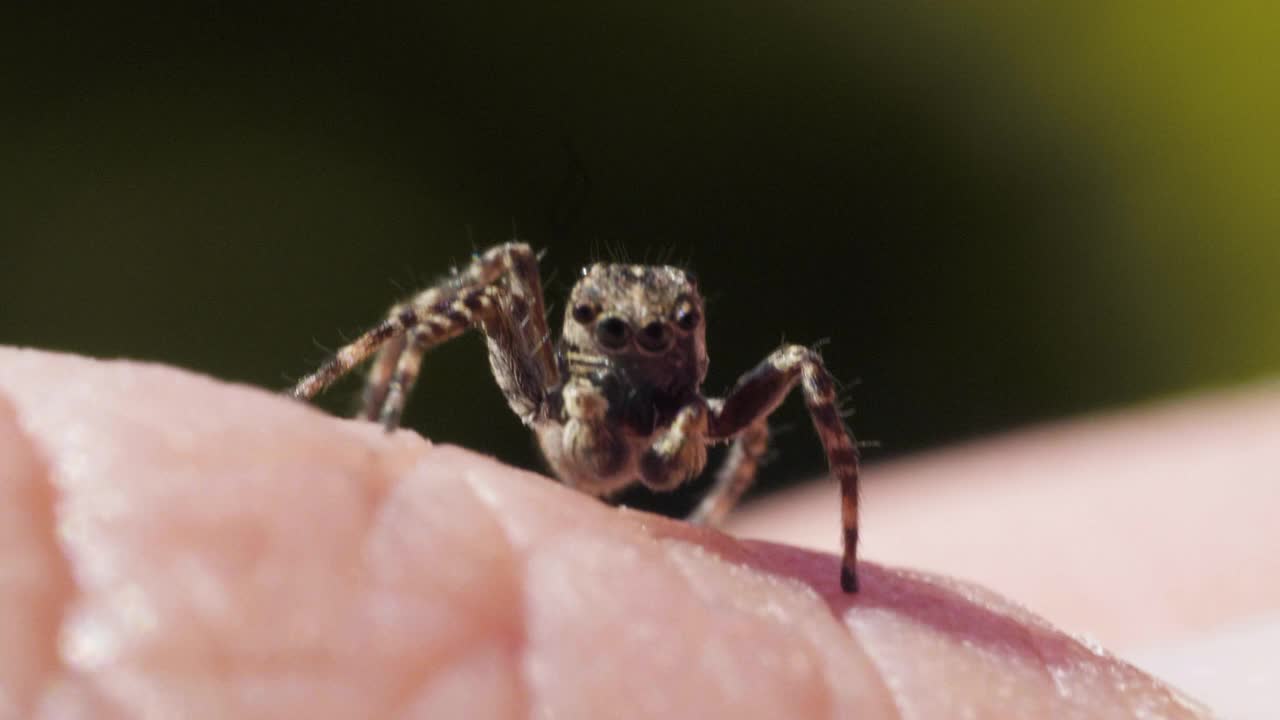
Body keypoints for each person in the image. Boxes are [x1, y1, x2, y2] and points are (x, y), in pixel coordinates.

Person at [5, 347, 1268, 717]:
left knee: (801, 374)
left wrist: (768, 536)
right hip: (583, 425)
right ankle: (343, 414)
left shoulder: (688, 424)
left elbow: (777, 404)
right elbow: (443, 305)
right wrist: (356, 440)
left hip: (657, 451)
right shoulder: (558, 385)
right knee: (482, 272)